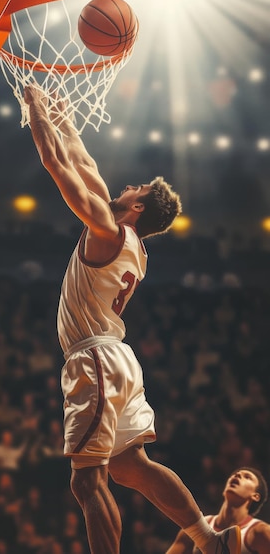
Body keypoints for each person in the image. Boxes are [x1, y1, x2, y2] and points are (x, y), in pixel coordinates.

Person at [23, 85, 241, 554]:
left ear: (138, 208)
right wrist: (64, 117)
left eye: (135, 189)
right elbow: (84, 164)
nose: (127, 186)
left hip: (96, 360)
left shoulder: (106, 228)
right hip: (116, 357)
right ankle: (210, 540)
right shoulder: (126, 240)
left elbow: (58, 166)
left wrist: (36, 108)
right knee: (131, 467)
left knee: (88, 484)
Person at [166, 467, 270, 554]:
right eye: (235, 474)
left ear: (255, 496)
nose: (237, 475)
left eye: (247, 477)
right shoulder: (198, 525)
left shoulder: (260, 532)